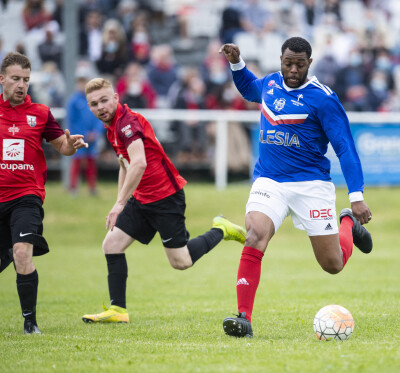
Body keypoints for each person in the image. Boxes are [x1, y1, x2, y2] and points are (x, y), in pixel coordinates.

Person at [218, 37, 373, 338]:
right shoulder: (271, 83)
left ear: (309, 64)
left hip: (311, 185)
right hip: (270, 181)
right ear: (280, 59)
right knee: (255, 234)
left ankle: (346, 223)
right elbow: (250, 88)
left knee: (333, 264)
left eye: (299, 64)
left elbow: (345, 148)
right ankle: (243, 317)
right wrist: (237, 63)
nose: (292, 69)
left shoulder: (323, 99)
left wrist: (356, 197)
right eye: (288, 62)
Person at [82, 77, 246, 323]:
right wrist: (121, 200)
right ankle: (118, 311)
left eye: (104, 100)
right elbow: (124, 165)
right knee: (111, 245)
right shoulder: (111, 126)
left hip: (165, 197)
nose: (100, 107)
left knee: (181, 262)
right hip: (141, 198)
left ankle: (220, 229)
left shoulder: (127, 123)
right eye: (94, 104)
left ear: (116, 98)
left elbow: (139, 163)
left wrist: (119, 204)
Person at [0, 52, 88, 334]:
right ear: (2, 79)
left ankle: (30, 323)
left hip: (27, 196)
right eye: (15, 79)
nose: (21, 85)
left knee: (23, 253)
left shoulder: (40, 113)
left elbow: (61, 146)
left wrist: (71, 145)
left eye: (25, 79)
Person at [67, 64, 104, 196]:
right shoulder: (73, 101)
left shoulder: (93, 100)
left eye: (84, 81)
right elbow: (71, 121)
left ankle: (92, 187)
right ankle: (73, 187)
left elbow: (99, 117)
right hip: (79, 137)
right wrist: (80, 135)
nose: (82, 84)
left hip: (92, 137)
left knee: (91, 162)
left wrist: (96, 132)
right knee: (77, 161)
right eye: (80, 81)